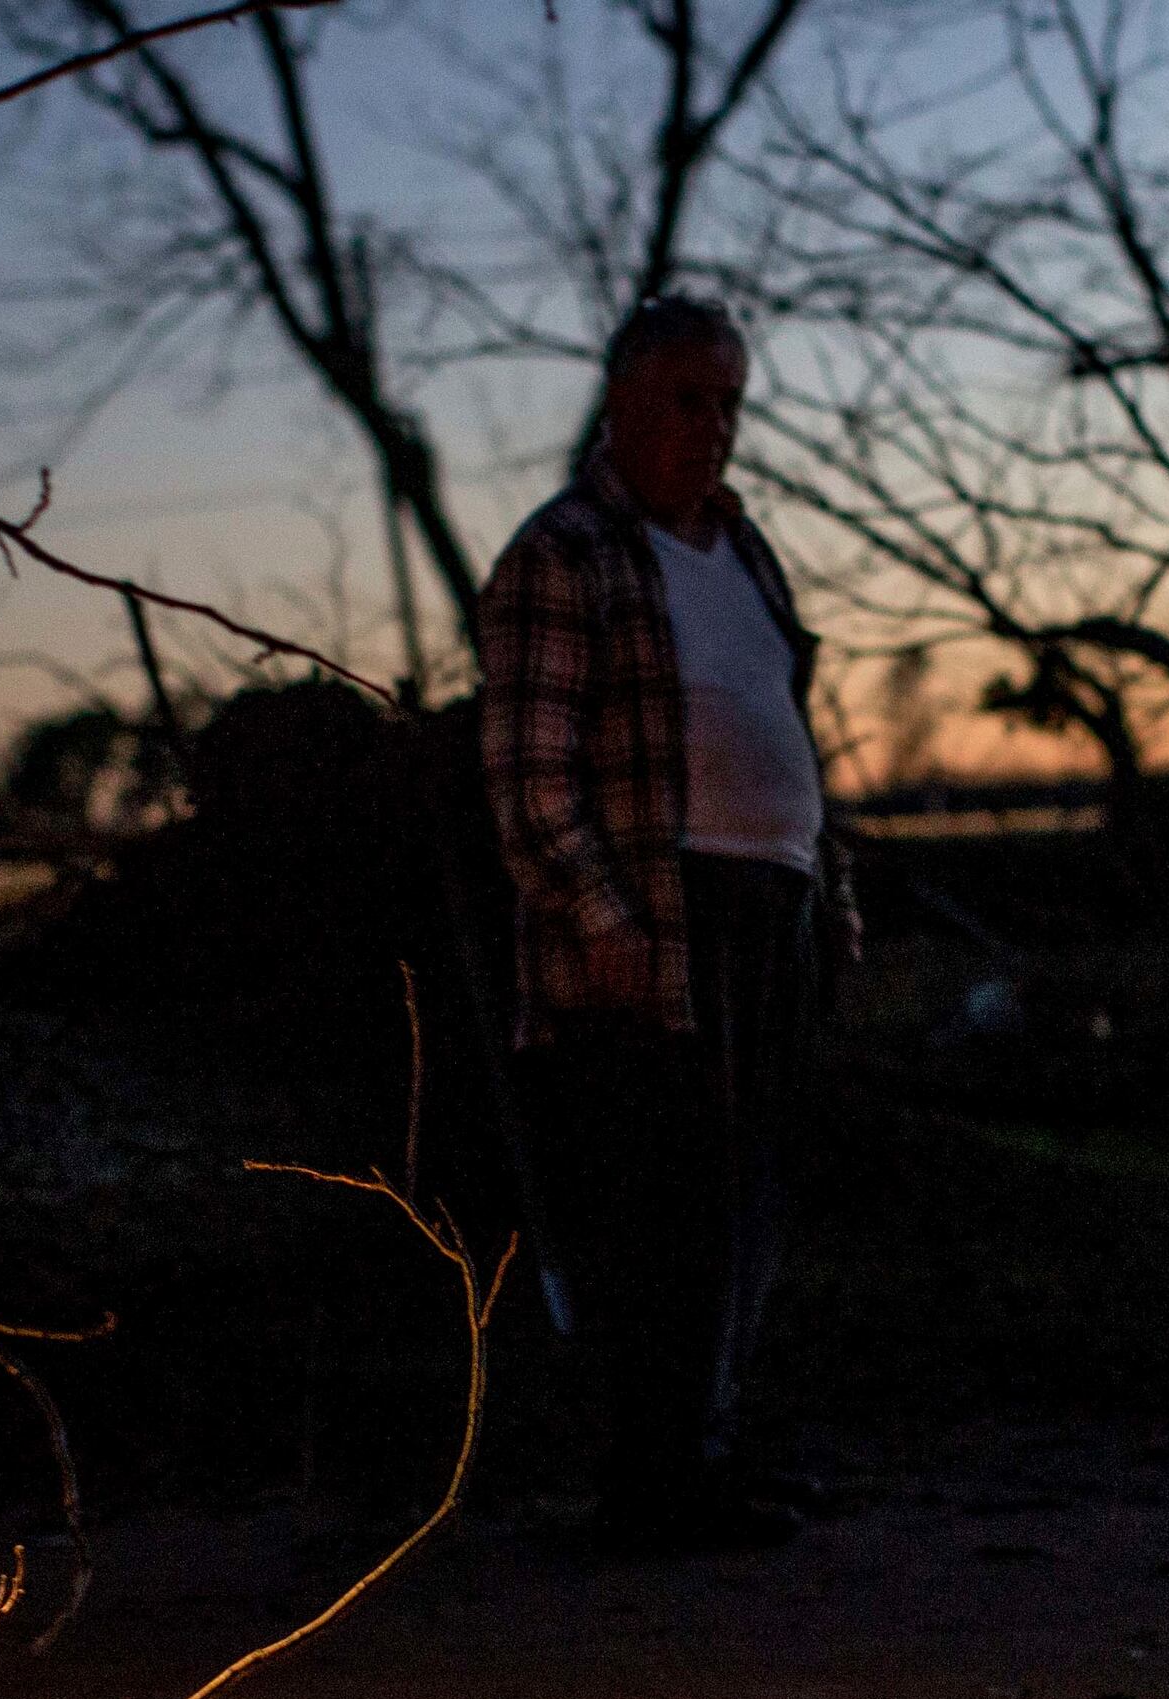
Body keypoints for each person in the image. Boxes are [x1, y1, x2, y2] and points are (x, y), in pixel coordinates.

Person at [479, 295, 849, 1554]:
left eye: (731, 401)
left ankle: (709, 1451)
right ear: (625, 402)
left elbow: (789, 729)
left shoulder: (746, 553)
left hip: (769, 910)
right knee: (663, 1208)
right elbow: (529, 771)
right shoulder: (566, 552)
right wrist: (602, 916)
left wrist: (829, 890)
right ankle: (651, 1480)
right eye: (688, 399)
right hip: (658, 917)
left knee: (749, 1201)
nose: (714, 427)